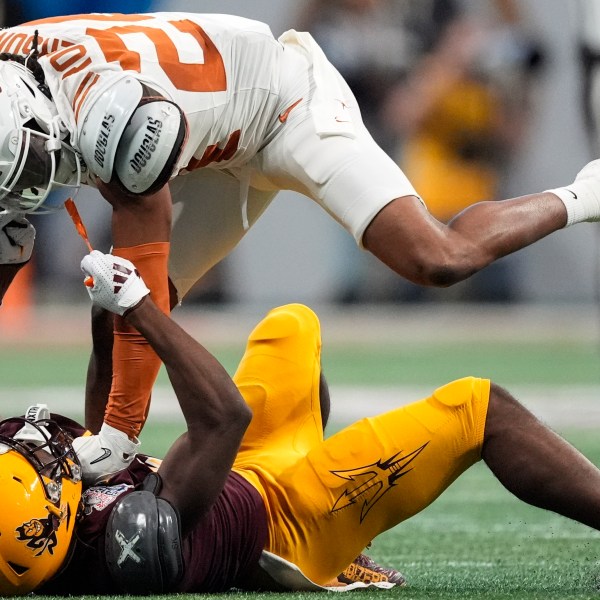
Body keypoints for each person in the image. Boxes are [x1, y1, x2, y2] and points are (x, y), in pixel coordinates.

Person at [1, 10, 600, 496]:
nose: (37, 183)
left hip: (282, 102)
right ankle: (102, 495)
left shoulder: (101, 105)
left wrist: (122, 428)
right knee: (110, 314)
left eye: (35, 163)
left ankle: (583, 193)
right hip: (200, 138)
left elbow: (142, 263)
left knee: (435, 257)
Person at [4, 251, 600, 596]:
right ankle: (342, 541)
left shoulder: (49, 533)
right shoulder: (129, 535)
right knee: (479, 406)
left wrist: (102, 321)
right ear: (53, 524)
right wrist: (138, 305)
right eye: (40, 470)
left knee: (293, 324)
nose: (43, 451)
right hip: (295, 521)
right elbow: (222, 419)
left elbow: (101, 436)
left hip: (245, 474)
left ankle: (345, 508)